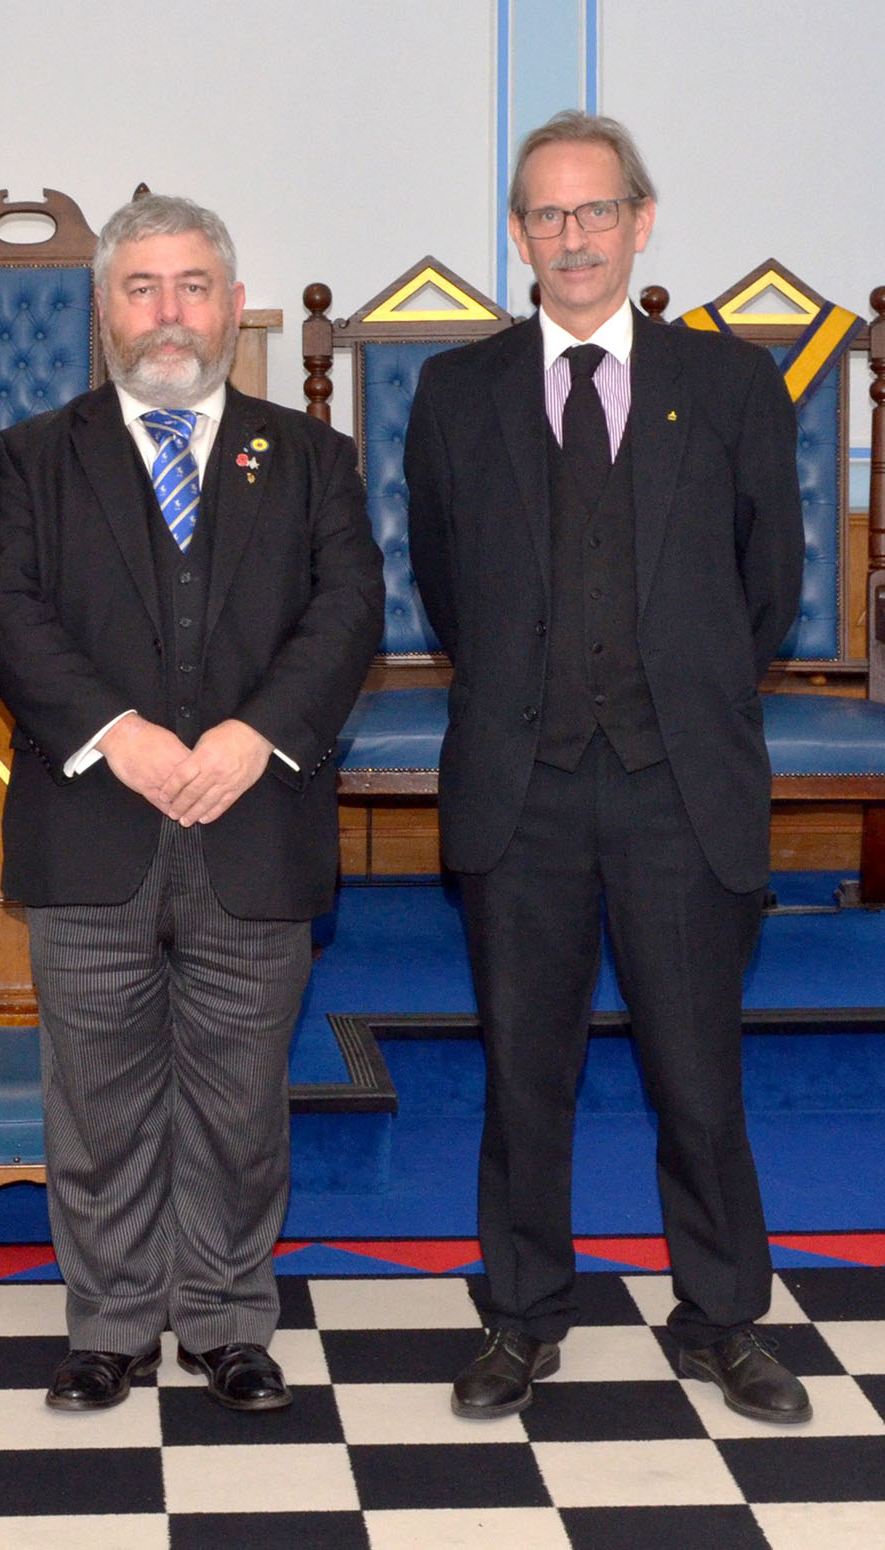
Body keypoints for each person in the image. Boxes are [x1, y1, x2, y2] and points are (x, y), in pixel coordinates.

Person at [405, 111, 811, 1423]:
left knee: (699, 1069)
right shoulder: (457, 391)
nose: (571, 236)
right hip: (519, 787)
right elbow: (447, 584)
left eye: (595, 211)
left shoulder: (736, 384)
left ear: (641, 220)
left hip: (675, 784)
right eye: (545, 214)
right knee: (527, 1069)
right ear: (519, 235)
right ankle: (523, 1316)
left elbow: (771, 590)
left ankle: (723, 1318)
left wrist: (672, 698)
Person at [0, 194, 383, 1412]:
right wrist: (120, 735)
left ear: (234, 308)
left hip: (256, 825)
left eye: (192, 286)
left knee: (240, 1098)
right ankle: (106, 1324)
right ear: (103, 312)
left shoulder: (311, 457)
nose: (168, 312)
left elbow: (347, 610)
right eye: (141, 288)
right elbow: (4, 613)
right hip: (94, 825)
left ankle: (226, 1318)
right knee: (95, 1102)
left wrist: (256, 734)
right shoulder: (34, 455)